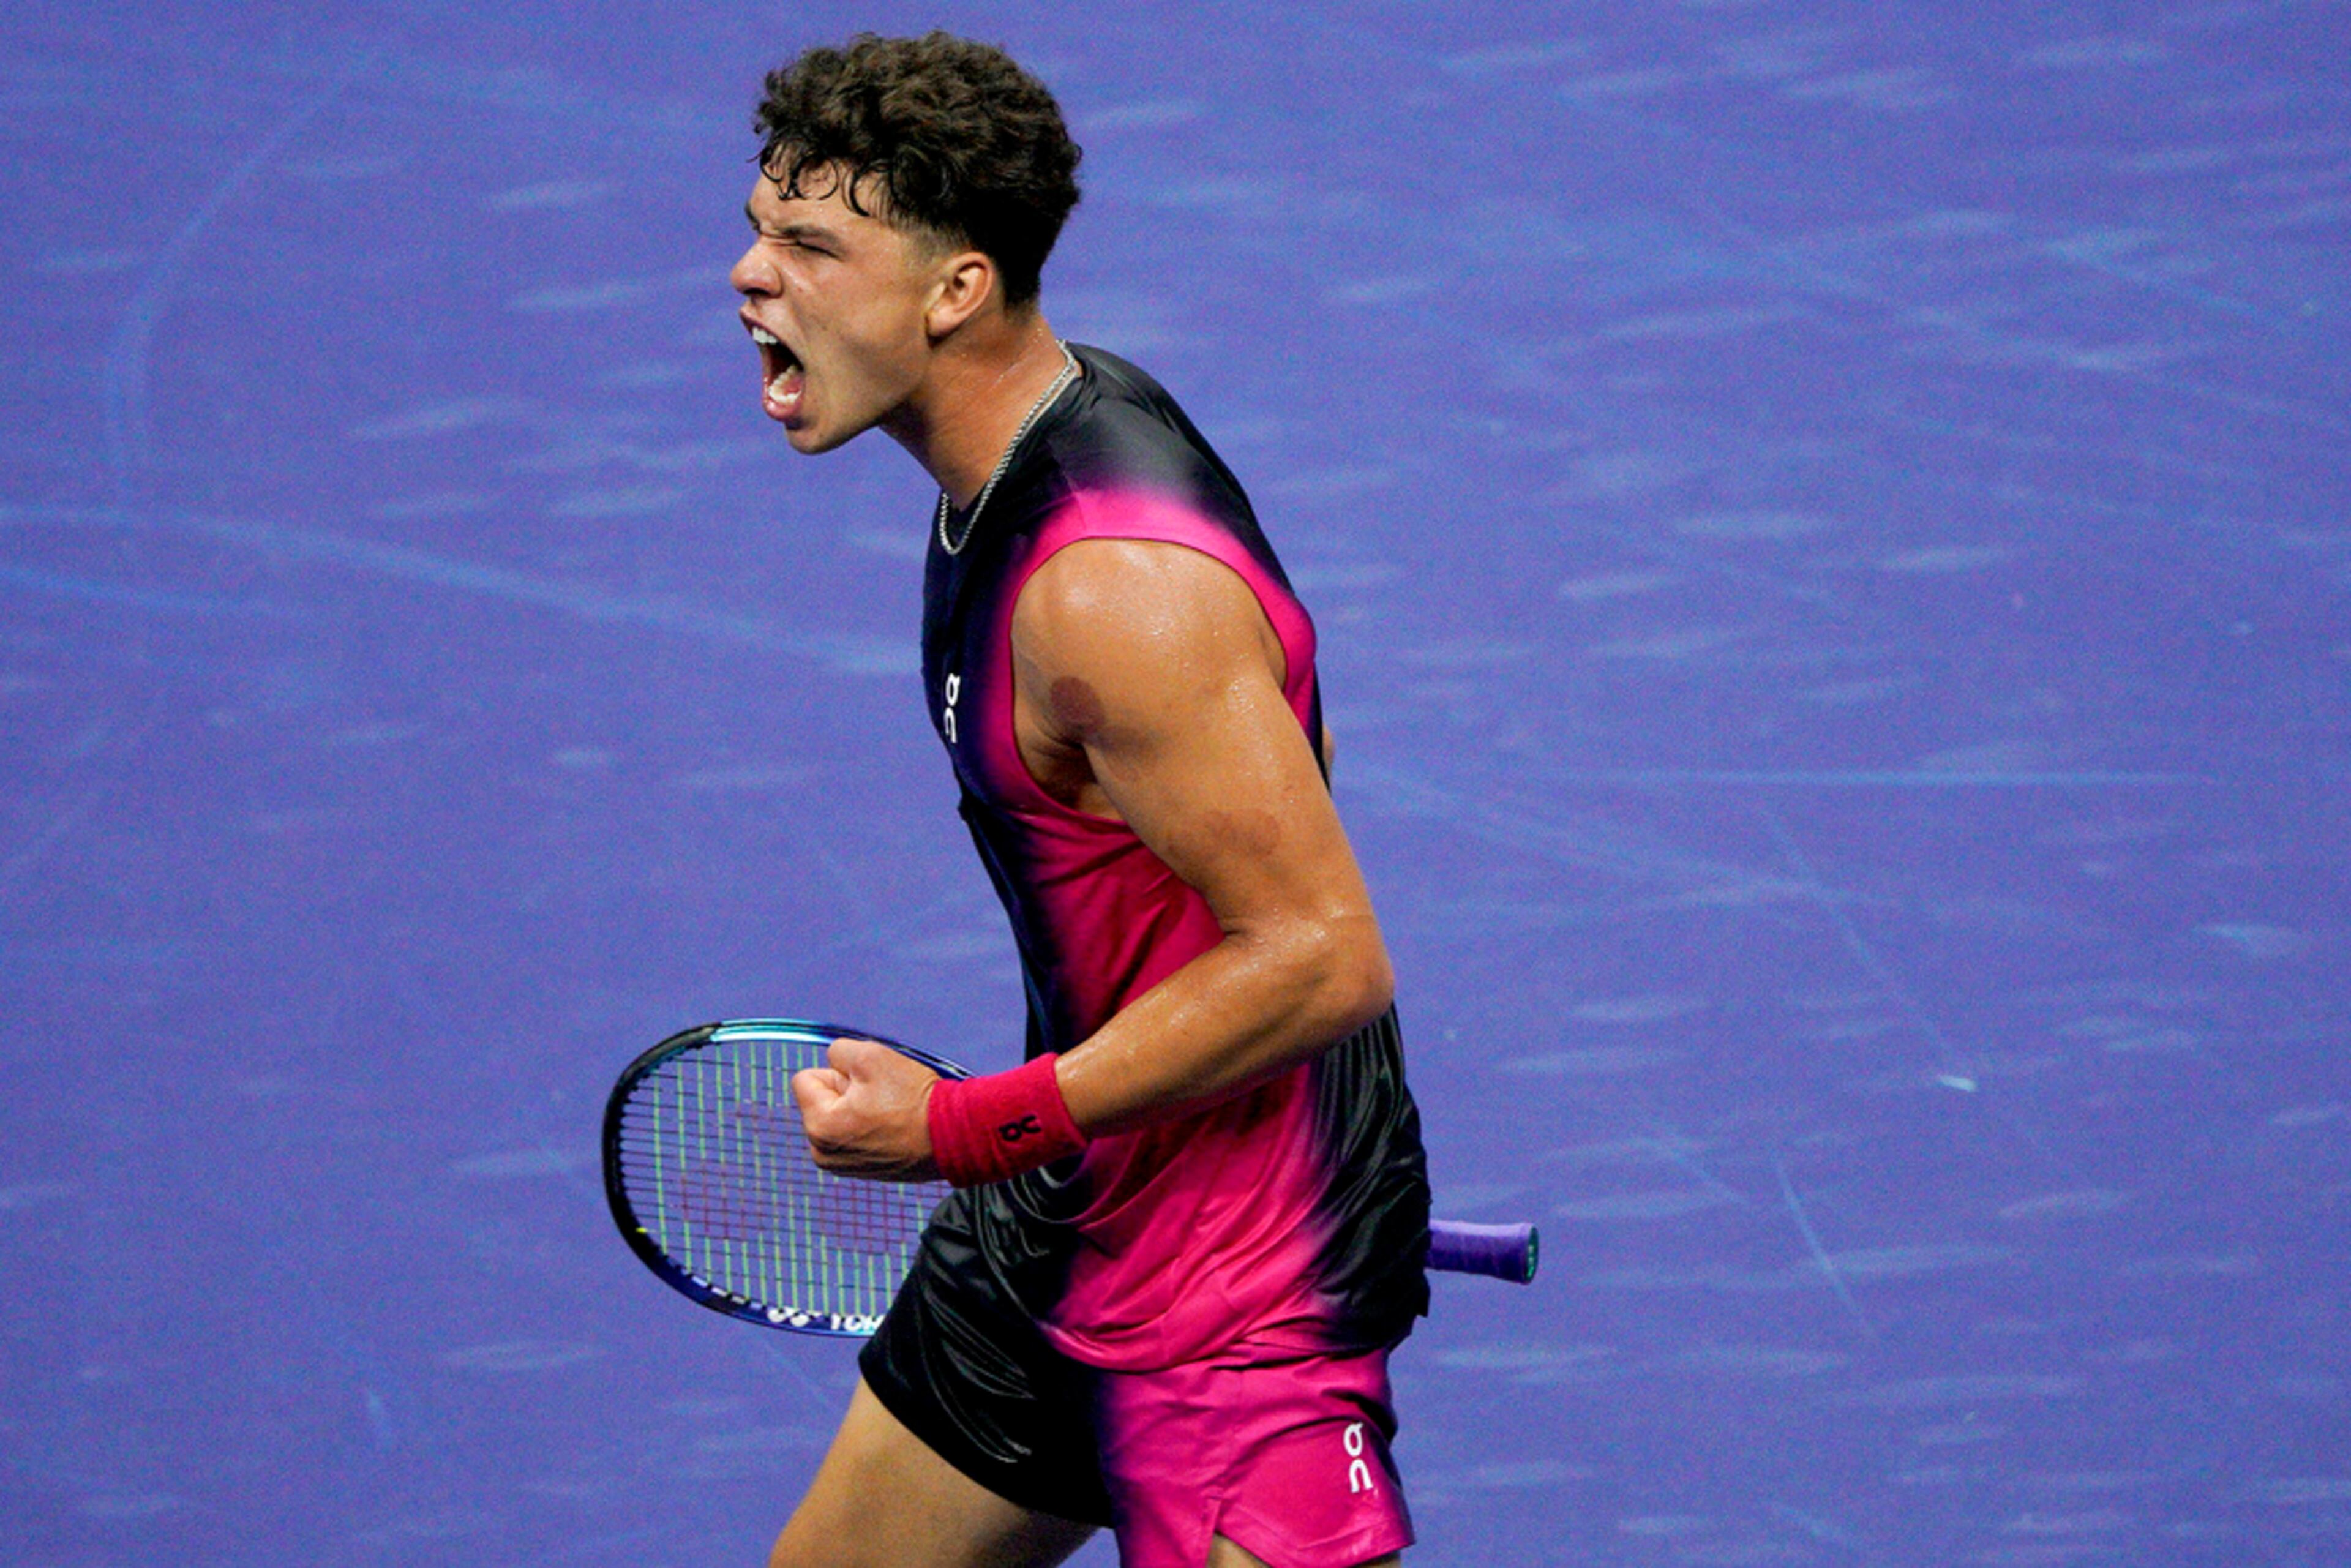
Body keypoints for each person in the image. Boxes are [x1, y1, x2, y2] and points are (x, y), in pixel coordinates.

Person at [730, 32, 1430, 1568]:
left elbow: (1323, 955)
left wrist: (969, 1128)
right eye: (761, 228)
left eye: (807, 245)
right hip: (1065, 1220)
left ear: (954, 289)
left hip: (1245, 1299)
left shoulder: (1109, 592)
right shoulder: (1012, 450)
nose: (747, 274)